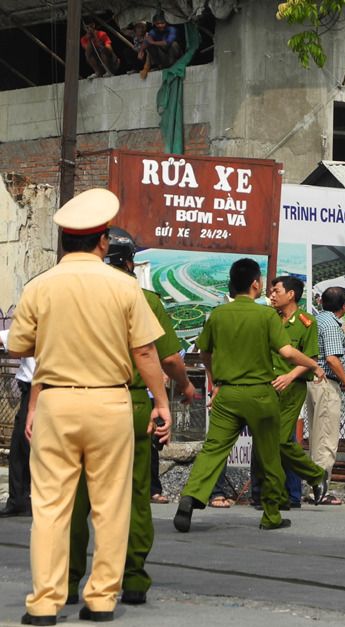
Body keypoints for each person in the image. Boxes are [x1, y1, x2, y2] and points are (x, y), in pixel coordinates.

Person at [7, 188, 171, 625]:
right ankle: (100, 599)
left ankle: (44, 602)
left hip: (56, 403)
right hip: (111, 403)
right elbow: (145, 355)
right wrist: (161, 403)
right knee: (111, 504)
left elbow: (20, 345)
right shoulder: (124, 286)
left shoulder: (39, 286)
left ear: (63, 243)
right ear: (103, 242)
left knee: (50, 507)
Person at [67, 226, 196, 606]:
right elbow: (167, 358)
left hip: (72, 402)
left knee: (74, 498)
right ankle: (133, 580)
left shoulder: (67, 292)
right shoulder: (141, 298)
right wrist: (180, 391)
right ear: (128, 262)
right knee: (135, 494)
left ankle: (67, 580)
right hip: (129, 402)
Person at [174, 259, 326, 533]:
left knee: (213, 450)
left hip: (227, 394)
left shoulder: (218, 315)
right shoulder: (266, 316)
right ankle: (271, 515)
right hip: (260, 394)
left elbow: (205, 352)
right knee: (269, 455)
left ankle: (191, 496)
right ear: (255, 284)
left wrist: (214, 382)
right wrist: (314, 365)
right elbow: (288, 353)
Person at [248, 276, 328, 510]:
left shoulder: (307, 322)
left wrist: (290, 376)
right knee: (266, 440)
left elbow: (311, 359)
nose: (271, 295)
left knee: (282, 439)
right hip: (267, 387)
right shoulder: (269, 318)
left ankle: (314, 476)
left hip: (292, 388)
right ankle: (273, 494)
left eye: (276, 291)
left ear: (291, 294)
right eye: (271, 291)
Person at [303, 286, 345, 505]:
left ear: (322, 302)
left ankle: (314, 486)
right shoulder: (332, 325)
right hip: (326, 383)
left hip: (314, 383)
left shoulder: (317, 320)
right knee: (326, 439)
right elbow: (332, 359)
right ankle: (320, 490)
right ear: (344, 307)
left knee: (317, 437)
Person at [0, 329, 35, 517]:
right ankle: (20, 499)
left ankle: (24, 499)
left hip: (36, 390)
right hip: (32, 390)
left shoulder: (35, 324)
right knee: (20, 447)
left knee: (27, 446)